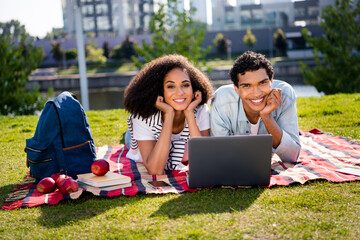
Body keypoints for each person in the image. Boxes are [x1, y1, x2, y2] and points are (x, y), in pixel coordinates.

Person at [124, 54, 214, 175]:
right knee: (130, 137)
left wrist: (189, 113)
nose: (180, 93)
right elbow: (155, 170)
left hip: (177, 136)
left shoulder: (200, 109)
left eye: (186, 85)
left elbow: (204, 159)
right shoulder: (143, 118)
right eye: (171, 86)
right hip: (137, 134)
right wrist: (169, 115)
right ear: (160, 91)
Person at [210, 51, 301, 162]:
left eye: (262, 83)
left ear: (271, 81)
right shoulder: (222, 100)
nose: (257, 93)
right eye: (247, 86)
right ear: (236, 88)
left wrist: (266, 116)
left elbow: (291, 156)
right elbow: (220, 155)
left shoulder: (285, 95)